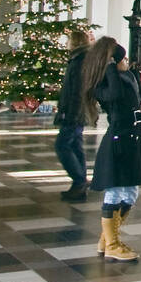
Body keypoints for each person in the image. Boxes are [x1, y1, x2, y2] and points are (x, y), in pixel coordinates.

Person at [84, 38, 141, 263]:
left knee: (130, 192)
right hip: (118, 141)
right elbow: (113, 95)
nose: (126, 62)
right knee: (115, 191)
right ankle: (111, 244)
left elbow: (135, 100)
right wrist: (111, 67)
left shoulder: (125, 76)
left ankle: (107, 240)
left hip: (132, 138)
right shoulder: (103, 83)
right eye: (121, 59)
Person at [53, 29, 92, 201]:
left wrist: (72, 113)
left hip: (75, 112)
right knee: (76, 145)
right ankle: (80, 182)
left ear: (75, 42)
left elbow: (78, 91)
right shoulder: (79, 59)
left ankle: (79, 180)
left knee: (62, 145)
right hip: (77, 110)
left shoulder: (79, 61)